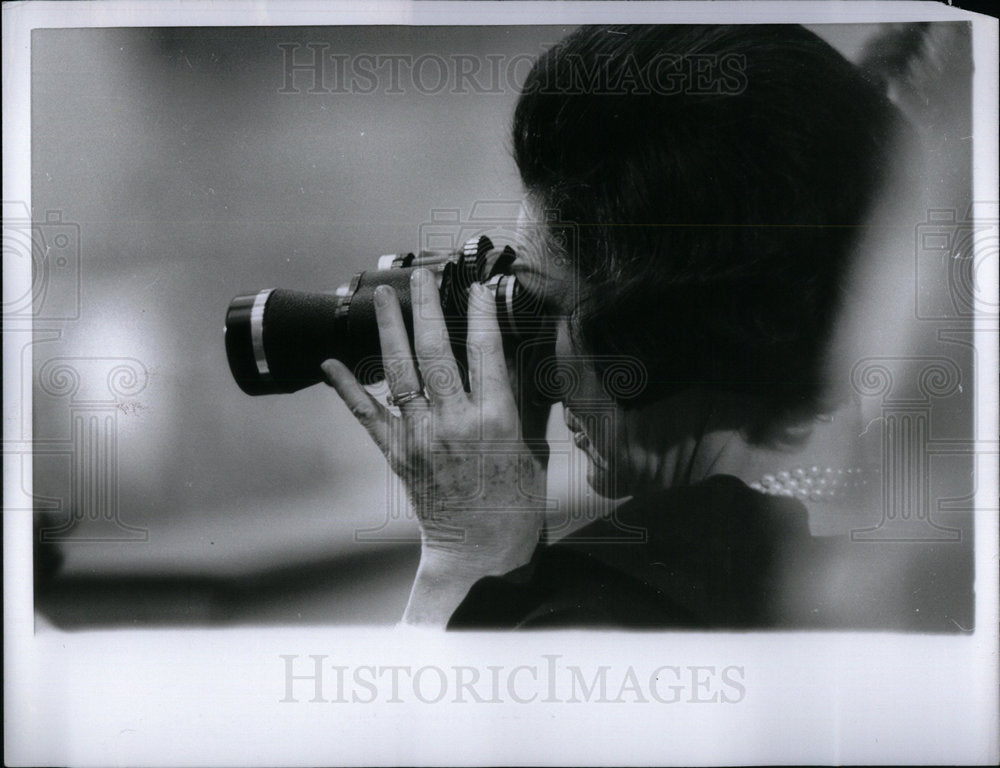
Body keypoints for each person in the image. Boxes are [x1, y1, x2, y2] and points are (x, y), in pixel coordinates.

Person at [321, 25, 968, 629]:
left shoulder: (606, 610)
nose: (537, 352)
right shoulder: (927, 531)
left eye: (543, 299)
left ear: (653, 319)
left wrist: (463, 559)